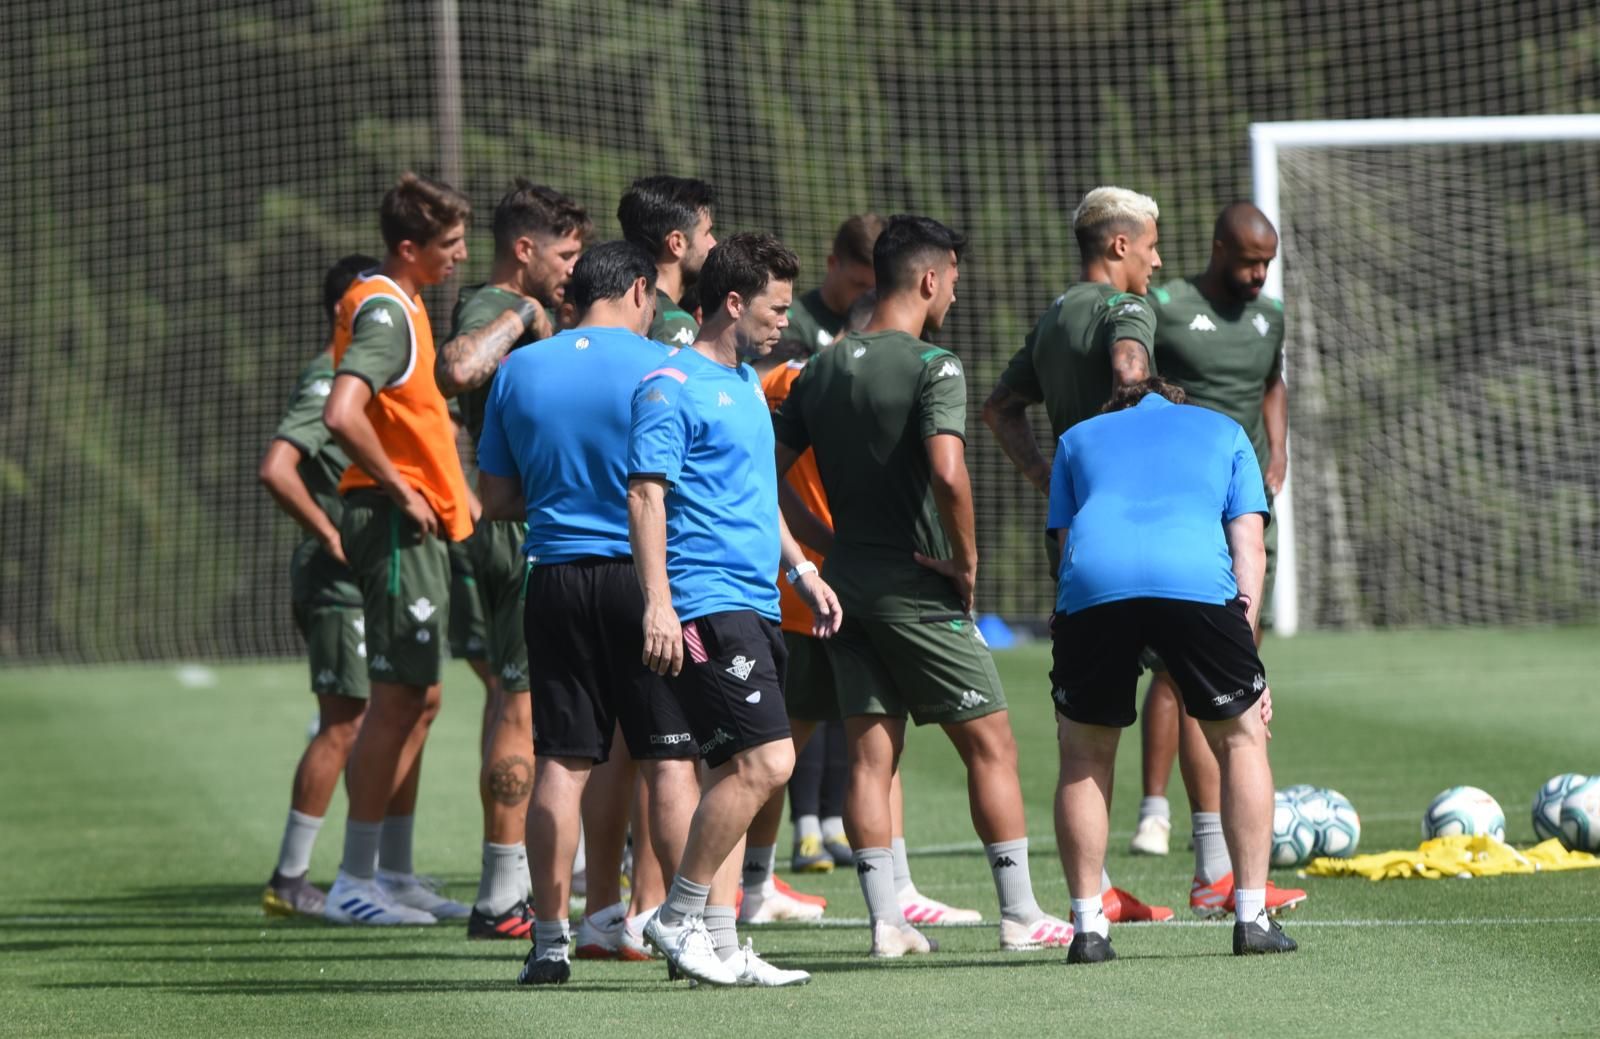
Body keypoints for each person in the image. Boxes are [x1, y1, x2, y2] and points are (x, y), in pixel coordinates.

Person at [774, 215, 1072, 957]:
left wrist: (823, 537)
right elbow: (947, 472)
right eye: (955, 284)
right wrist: (966, 562)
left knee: (871, 756)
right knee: (992, 744)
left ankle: (886, 923)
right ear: (931, 279)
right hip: (917, 586)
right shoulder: (934, 365)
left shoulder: (822, 366)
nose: (955, 299)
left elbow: (765, 474)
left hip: (844, 587)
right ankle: (1020, 913)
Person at [475, 240, 703, 983]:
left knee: (562, 763)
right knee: (669, 759)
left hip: (553, 578)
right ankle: (684, 935)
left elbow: (496, 498)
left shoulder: (521, 366)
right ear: (641, 289)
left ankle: (548, 941)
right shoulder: (666, 368)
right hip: (647, 583)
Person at [631, 233, 839, 987]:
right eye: (776, 306)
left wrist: (802, 567)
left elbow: (757, 492)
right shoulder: (669, 383)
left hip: (756, 599)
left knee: (733, 768)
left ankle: (720, 941)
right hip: (703, 601)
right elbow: (646, 493)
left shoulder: (750, 384)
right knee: (769, 761)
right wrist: (658, 603)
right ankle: (676, 915)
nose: (785, 320)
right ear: (731, 301)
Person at [747, 288, 982, 928]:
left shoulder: (768, 382)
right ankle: (884, 892)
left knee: (783, 748)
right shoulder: (812, 377)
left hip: (799, 581)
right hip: (835, 590)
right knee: (867, 741)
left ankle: (754, 884)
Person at [1045, 377, 1297, 962]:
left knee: (1083, 753)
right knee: (1240, 740)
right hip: (1194, 584)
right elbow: (1249, 549)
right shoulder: (1227, 431)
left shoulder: (1076, 438)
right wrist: (1246, 653)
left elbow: (1065, 546)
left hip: (1094, 587)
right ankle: (1252, 918)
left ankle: (1087, 929)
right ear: (1176, 404)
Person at [980, 186, 1174, 925]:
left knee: (1084, 728)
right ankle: (1221, 871)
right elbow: (1130, 371)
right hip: (1145, 531)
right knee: (1220, 693)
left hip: (1076, 541)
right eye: (1151, 243)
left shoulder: (1056, 315)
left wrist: (1047, 475)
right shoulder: (1129, 311)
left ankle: (1091, 899)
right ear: (1119, 245)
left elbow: (1000, 408)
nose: (1158, 259)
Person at [1135, 202, 1305, 920]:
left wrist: (1279, 448)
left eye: (1264, 263)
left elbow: (1272, 383)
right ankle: (1155, 808)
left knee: (1231, 668)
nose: (1256, 274)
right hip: (1179, 501)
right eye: (1245, 262)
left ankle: (1219, 861)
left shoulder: (1269, 318)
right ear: (1215, 250)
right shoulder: (1166, 306)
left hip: (1242, 505)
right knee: (1173, 671)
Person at [435, 179, 591, 939]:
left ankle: (532, 876)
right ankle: (501, 895)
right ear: (523, 251)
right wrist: (525, 315)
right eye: (563, 254)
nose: (571, 269)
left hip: (519, 528)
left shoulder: (536, 309)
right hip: (512, 531)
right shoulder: (490, 306)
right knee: (520, 704)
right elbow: (460, 370)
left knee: (522, 698)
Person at [319, 172, 474, 925]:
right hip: (389, 519)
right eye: (450, 244)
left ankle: (395, 871)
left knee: (422, 694)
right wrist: (402, 486)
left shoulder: (407, 301)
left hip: (415, 523)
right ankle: (354, 880)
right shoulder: (385, 307)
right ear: (409, 248)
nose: (462, 256)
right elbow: (342, 410)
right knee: (394, 697)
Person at [258, 254, 378, 917]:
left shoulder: (362, 372)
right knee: (343, 722)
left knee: (360, 719)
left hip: (362, 580)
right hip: (337, 582)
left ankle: (376, 869)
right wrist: (331, 536)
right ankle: (290, 876)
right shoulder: (328, 376)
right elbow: (278, 467)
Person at [775, 214, 886, 873]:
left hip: (836, 550)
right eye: (858, 277)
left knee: (845, 698)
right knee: (802, 697)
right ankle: (805, 827)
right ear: (833, 262)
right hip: (798, 551)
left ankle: (835, 823)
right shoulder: (793, 334)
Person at [617, 175, 716, 348]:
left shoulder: (615, 309)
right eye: (706, 233)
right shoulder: (674, 324)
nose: (713, 243)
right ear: (677, 243)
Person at [780, 212, 885, 359]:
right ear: (832, 264)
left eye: (876, 288)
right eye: (859, 284)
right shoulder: (790, 322)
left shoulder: (886, 320)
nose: (869, 295)